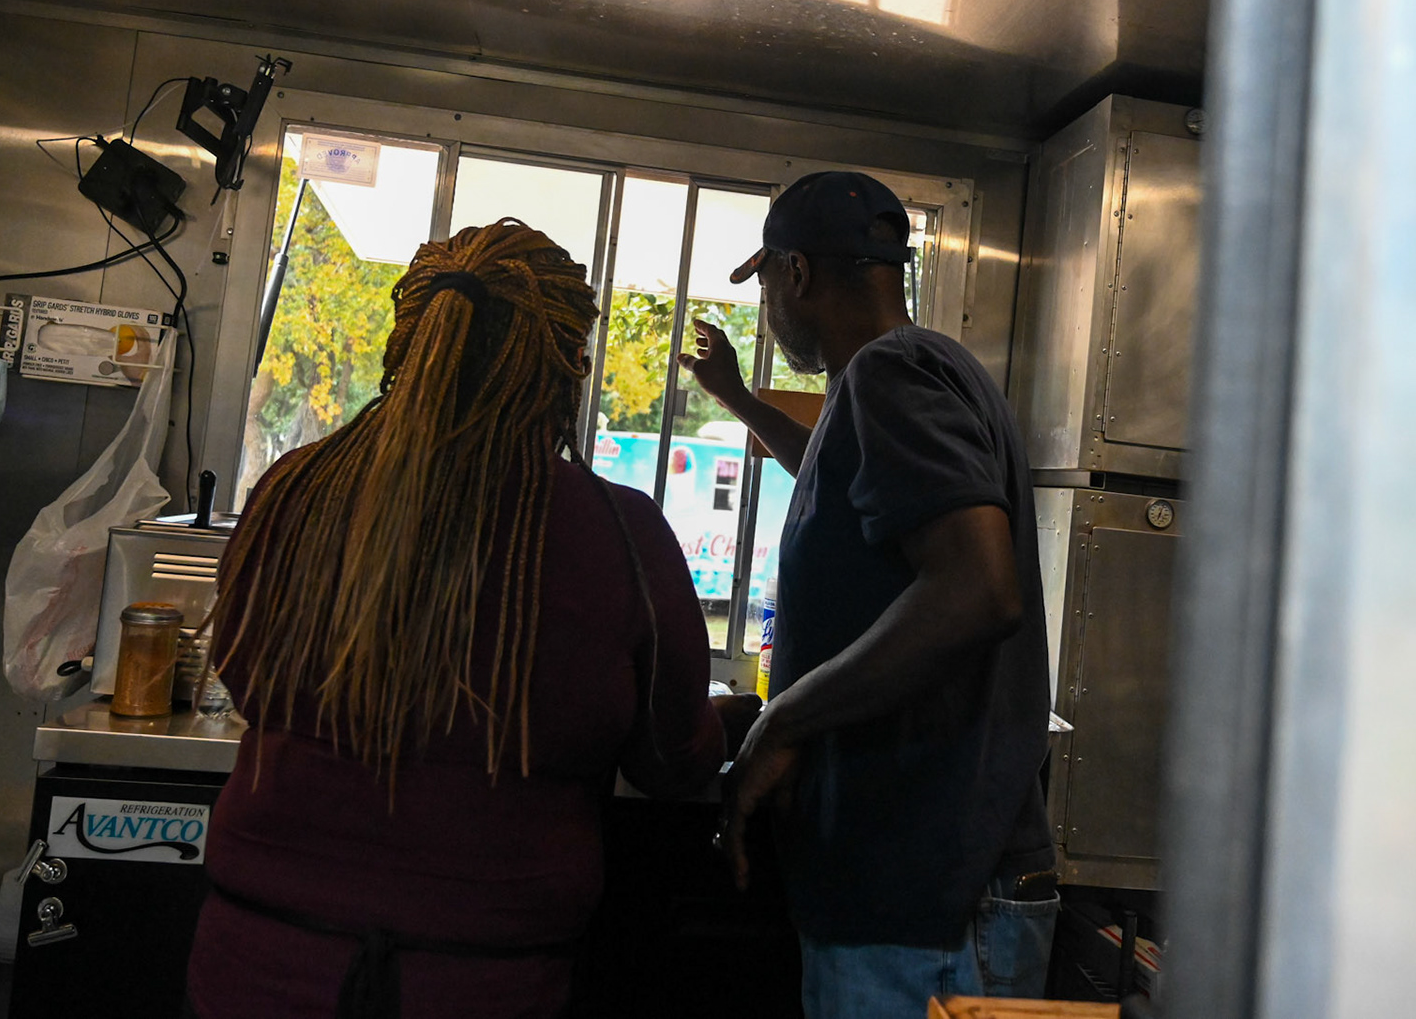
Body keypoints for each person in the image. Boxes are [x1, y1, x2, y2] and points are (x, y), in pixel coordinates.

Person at [186, 221, 752, 1019]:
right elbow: (671, 758)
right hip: (484, 981)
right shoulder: (615, 530)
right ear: (566, 363)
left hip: (251, 966)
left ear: (407, 337)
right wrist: (736, 720)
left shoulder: (298, 487)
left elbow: (244, 674)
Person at [678, 172, 1057, 1017]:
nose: (770, 307)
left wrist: (784, 718)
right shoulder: (913, 372)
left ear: (798, 274)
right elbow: (838, 473)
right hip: (921, 896)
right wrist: (737, 398)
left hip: (924, 905)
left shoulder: (892, 376)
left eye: (768, 285)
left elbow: (979, 588)